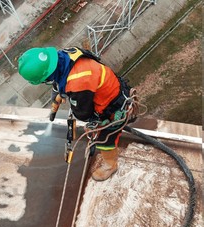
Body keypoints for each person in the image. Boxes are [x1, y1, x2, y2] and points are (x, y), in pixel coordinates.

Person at [18, 46, 133, 181]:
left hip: (114, 107)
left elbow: (83, 113)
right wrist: (61, 90)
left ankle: (110, 165)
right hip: (109, 88)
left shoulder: (78, 83)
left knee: (103, 139)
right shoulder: (65, 54)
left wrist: (91, 122)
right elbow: (64, 74)